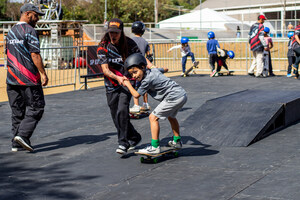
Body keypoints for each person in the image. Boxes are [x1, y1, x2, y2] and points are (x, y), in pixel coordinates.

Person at [97, 18, 153, 155]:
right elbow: (105, 70)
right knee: (116, 116)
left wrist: (153, 68)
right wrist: (117, 78)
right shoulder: (102, 46)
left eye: (116, 32)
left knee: (122, 111)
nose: (113, 35)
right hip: (111, 84)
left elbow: (140, 59)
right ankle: (134, 137)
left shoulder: (130, 43)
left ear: (121, 32)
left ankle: (123, 143)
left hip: (127, 82)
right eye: (111, 32)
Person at [123, 53, 187, 154]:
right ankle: (177, 140)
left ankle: (155, 147)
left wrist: (127, 84)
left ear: (143, 67)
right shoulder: (153, 70)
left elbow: (136, 95)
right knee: (171, 116)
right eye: (131, 74)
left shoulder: (147, 80)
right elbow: (163, 69)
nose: (134, 76)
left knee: (152, 117)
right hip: (182, 95)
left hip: (173, 97)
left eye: (135, 72)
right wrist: (164, 69)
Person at [5, 3, 48, 152]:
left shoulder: (10, 32)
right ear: (28, 14)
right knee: (37, 107)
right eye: (36, 15)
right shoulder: (29, 31)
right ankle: (23, 135)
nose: (37, 19)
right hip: (28, 79)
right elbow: (35, 54)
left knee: (17, 111)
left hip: (11, 79)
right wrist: (43, 73)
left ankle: (16, 143)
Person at [130, 21, 153, 113]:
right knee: (144, 85)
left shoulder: (130, 41)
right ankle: (145, 103)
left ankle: (136, 105)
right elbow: (149, 55)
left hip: (134, 67)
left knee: (135, 86)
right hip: (143, 66)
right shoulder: (145, 41)